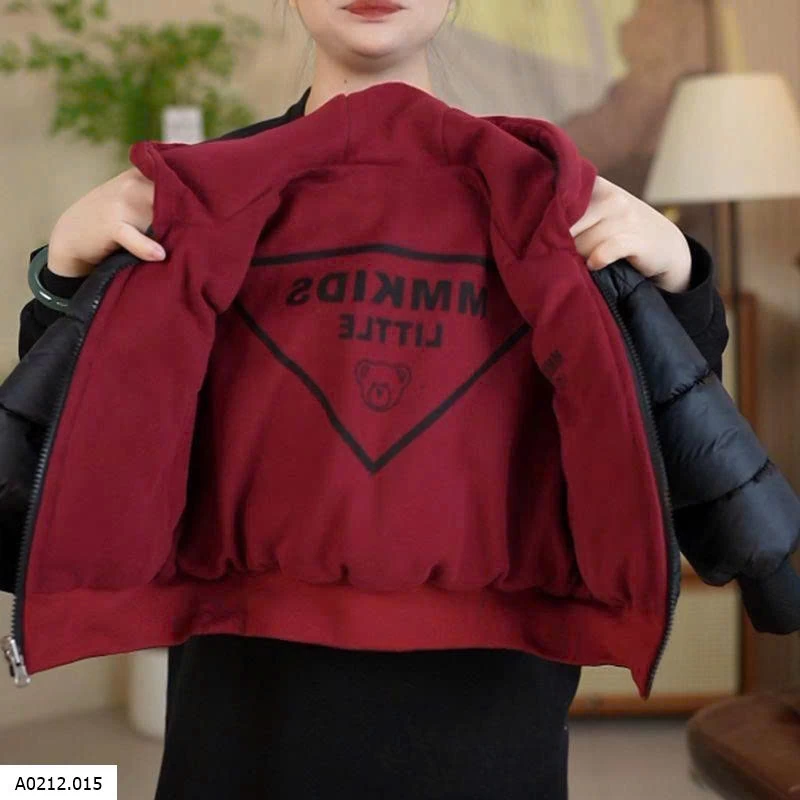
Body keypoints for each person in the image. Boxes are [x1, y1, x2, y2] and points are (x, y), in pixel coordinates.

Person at [17, 1, 729, 798]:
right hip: (246, 695)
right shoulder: (199, 196)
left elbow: (665, 427)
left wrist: (681, 276)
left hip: (489, 707)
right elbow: (80, 426)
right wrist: (63, 275)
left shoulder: (544, 200)